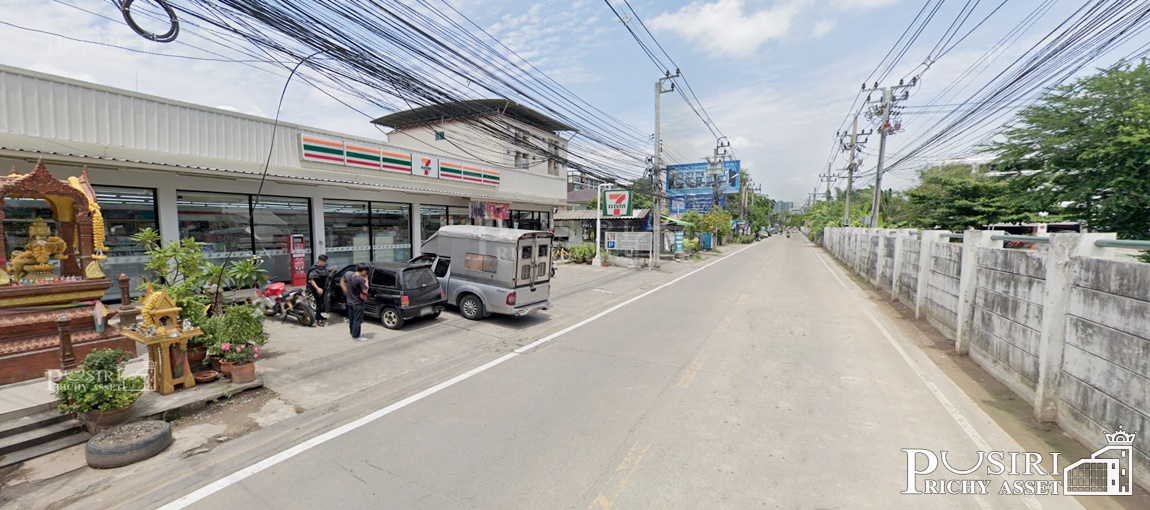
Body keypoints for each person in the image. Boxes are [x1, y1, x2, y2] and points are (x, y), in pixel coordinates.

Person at [341, 263, 369, 342]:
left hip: (349, 301)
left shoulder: (349, 275)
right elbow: (365, 290)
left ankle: (352, 332)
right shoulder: (359, 279)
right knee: (357, 320)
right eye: (366, 271)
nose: (366, 273)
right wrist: (366, 281)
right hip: (357, 302)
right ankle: (356, 336)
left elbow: (343, 280)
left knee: (352, 318)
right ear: (363, 271)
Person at [307, 254, 330, 327]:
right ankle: (318, 320)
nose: (325, 263)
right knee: (319, 303)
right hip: (316, 288)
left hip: (322, 287)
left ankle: (319, 315)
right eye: (324, 262)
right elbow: (311, 280)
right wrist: (317, 289)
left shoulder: (323, 268)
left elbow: (325, 274)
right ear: (320, 261)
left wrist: (329, 270)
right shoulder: (314, 269)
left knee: (321, 302)